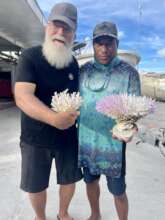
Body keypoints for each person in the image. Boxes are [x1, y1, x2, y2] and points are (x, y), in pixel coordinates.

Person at [14, 3, 82, 220]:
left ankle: (63, 213)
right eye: (56, 25)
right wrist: (54, 118)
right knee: (35, 186)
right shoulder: (30, 56)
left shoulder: (73, 65)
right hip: (35, 137)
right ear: (47, 26)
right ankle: (40, 216)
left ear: (74, 34)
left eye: (67, 28)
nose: (61, 32)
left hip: (68, 137)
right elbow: (23, 96)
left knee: (69, 180)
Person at [78, 21, 141, 220]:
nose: (104, 49)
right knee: (90, 182)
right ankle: (95, 214)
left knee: (118, 190)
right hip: (86, 140)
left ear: (117, 43)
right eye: (99, 43)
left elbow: (135, 107)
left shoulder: (129, 72)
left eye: (109, 43)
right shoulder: (84, 71)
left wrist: (130, 126)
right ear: (93, 44)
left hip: (113, 145)